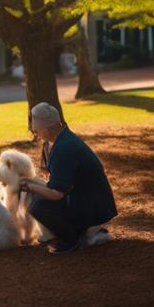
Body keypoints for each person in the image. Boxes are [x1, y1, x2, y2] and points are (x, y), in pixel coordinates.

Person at [20, 102, 118, 254]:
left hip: (92, 207)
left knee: (38, 207)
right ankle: (79, 230)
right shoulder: (60, 139)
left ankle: (71, 240)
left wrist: (31, 186)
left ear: (46, 128)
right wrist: (31, 183)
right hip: (87, 199)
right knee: (36, 195)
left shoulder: (64, 148)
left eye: (36, 130)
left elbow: (56, 194)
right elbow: (53, 177)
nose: (35, 134)